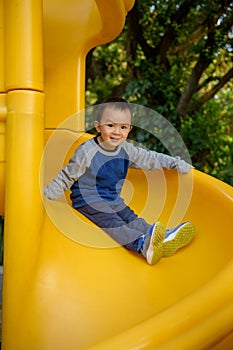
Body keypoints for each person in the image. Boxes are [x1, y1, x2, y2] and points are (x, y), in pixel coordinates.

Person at [44, 97, 195, 265]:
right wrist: (46, 196)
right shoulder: (87, 151)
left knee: (131, 218)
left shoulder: (127, 150)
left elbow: (151, 158)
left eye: (123, 127)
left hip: (112, 198)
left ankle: (162, 238)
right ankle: (140, 245)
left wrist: (176, 163)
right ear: (98, 126)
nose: (117, 132)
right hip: (88, 200)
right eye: (110, 126)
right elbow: (67, 175)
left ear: (129, 129)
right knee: (115, 223)